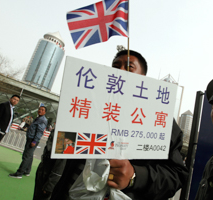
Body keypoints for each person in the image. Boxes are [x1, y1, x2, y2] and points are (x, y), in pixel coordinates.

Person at [51, 50, 188, 200]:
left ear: (143, 79)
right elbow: (67, 146)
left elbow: (177, 175)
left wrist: (134, 176)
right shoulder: (92, 107)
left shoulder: (160, 119)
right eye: (115, 66)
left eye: (129, 67)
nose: (121, 71)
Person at [9, 106, 48, 178]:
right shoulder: (39, 118)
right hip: (31, 138)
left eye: (42, 110)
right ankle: (27, 171)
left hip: (32, 140)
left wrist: (35, 141)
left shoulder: (42, 120)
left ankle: (19, 173)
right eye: (39, 109)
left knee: (26, 156)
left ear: (45, 112)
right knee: (29, 156)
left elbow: (40, 132)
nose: (40, 111)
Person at [33, 129, 66, 200]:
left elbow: (60, 164)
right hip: (44, 169)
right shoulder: (58, 130)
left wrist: (50, 185)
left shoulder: (62, 134)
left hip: (48, 173)